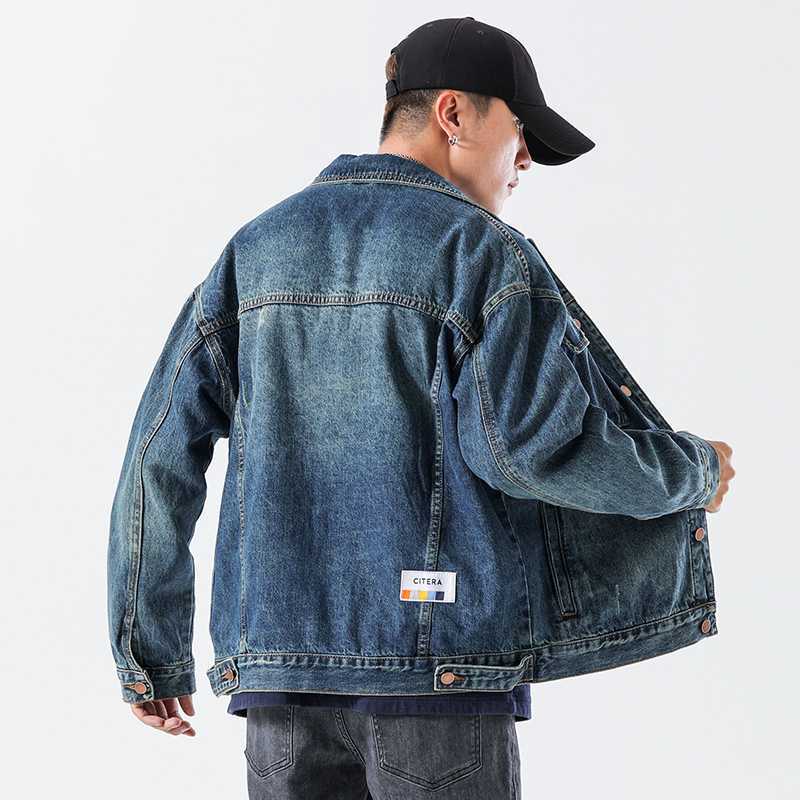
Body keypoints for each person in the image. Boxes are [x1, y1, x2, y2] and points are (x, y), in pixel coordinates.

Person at [107, 16, 734, 800]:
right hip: (439, 678)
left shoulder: (254, 251)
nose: (526, 159)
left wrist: (149, 653)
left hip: (278, 686)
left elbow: (158, 455)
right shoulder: (482, 254)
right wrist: (689, 472)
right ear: (453, 113)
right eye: (521, 131)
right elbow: (530, 449)